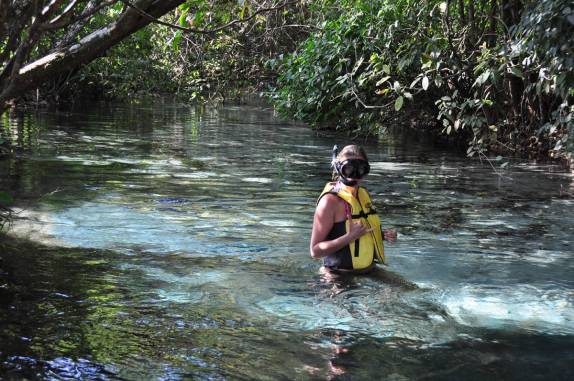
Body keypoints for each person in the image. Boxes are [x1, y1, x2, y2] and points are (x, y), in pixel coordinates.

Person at [310, 144, 400, 278]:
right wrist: (349, 237)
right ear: (339, 168)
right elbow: (315, 251)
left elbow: (360, 234)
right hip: (336, 274)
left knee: (411, 292)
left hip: (369, 270)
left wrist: (382, 235)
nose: (355, 175)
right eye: (349, 169)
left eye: (361, 169)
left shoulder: (362, 195)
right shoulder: (330, 201)